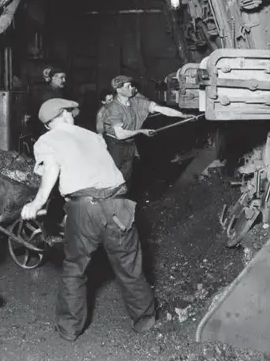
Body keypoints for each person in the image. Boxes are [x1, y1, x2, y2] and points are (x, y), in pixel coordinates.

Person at [21, 98, 156, 342]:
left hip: (84, 209)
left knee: (75, 268)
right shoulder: (92, 136)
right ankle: (145, 322)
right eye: (70, 112)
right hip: (118, 205)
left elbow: (50, 172)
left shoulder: (47, 140)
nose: (73, 116)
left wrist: (36, 204)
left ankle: (69, 329)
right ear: (63, 114)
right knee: (130, 266)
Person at [101, 75, 195, 188]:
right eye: (128, 86)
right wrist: (141, 131)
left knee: (125, 180)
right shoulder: (113, 108)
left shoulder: (136, 101)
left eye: (131, 85)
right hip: (114, 145)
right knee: (112, 178)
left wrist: (183, 115)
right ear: (118, 90)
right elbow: (120, 134)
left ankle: (122, 202)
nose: (132, 88)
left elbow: (162, 109)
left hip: (129, 144)